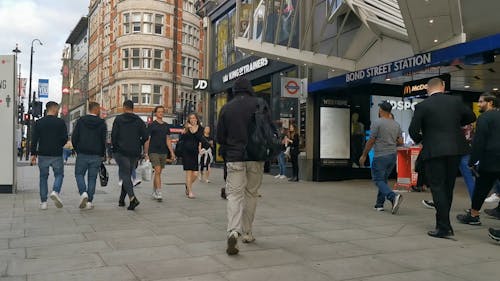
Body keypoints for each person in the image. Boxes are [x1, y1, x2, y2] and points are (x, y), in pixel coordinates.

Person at [409, 77, 476, 238]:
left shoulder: (422, 106)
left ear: (427, 89)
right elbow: (471, 117)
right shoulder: (456, 102)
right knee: (448, 187)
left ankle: (444, 227)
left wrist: (424, 139)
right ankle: (445, 225)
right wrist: (455, 125)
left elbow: (413, 131)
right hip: (455, 149)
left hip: (434, 151)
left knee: (437, 187)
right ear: (443, 86)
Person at [217, 77, 270, 255]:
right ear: (249, 88)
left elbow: (220, 138)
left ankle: (233, 231)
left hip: (234, 157)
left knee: (234, 195)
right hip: (255, 156)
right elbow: (267, 130)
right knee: (251, 194)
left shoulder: (226, 108)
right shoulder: (260, 104)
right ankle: (247, 232)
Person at [456, 92, 500, 226]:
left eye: (481, 102)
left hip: (490, 159)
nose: (479, 104)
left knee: (481, 188)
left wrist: (472, 161)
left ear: (490, 103)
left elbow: (479, 141)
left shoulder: (484, 117)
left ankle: (474, 215)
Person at [359, 101, 403, 214]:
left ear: (381, 110)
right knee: (383, 180)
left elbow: (371, 140)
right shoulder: (396, 124)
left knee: (378, 179)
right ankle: (379, 204)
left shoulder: (377, 122)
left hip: (380, 156)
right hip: (392, 156)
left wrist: (364, 155)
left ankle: (393, 196)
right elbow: (400, 142)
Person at [30, 101, 68, 210]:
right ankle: (55, 191)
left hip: (43, 153)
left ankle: (43, 202)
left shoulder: (39, 122)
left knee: (43, 177)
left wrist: (33, 154)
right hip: (56, 153)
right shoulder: (60, 122)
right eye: (57, 109)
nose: (58, 111)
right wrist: (59, 144)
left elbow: (34, 139)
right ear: (54, 109)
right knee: (59, 175)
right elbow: (64, 138)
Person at [112, 100, 148, 210]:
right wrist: (141, 147)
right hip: (135, 152)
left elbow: (114, 136)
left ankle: (132, 199)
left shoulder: (118, 119)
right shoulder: (139, 121)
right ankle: (121, 200)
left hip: (121, 151)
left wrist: (114, 148)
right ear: (133, 108)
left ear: (124, 108)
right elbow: (146, 137)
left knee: (125, 175)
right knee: (127, 174)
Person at [72, 102, 107, 210]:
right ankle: (89, 202)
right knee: (92, 178)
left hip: (82, 153)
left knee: (79, 174)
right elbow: (103, 140)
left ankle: (83, 193)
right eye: (99, 109)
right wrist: (102, 154)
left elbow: (74, 137)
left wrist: (77, 149)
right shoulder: (102, 123)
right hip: (96, 154)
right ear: (96, 109)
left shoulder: (81, 121)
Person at [144, 105, 176, 202]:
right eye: (159, 112)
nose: (161, 113)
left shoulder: (166, 125)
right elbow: (147, 140)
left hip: (163, 152)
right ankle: (159, 192)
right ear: (156, 113)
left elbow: (168, 139)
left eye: (162, 111)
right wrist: (146, 153)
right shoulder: (151, 125)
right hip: (153, 151)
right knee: (157, 171)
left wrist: (172, 152)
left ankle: (154, 191)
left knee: (159, 173)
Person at [180, 113, 206, 198]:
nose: (192, 120)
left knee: (195, 174)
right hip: (186, 152)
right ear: (189, 120)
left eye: (194, 118)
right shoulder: (186, 128)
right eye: (190, 118)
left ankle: (188, 185)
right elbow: (181, 139)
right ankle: (190, 192)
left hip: (195, 153)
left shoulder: (201, 129)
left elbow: (200, 138)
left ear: (196, 119)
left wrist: (193, 129)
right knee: (188, 172)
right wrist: (183, 132)